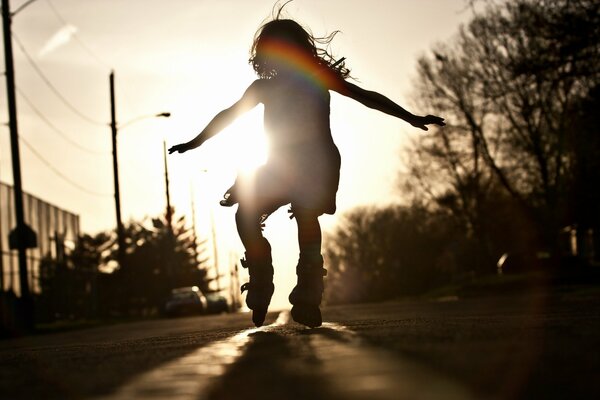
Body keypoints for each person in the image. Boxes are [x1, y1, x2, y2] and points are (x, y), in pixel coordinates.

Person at [169, 13, 445, 328]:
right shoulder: (262, 88)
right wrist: (195, 141)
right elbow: (228, 115)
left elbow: (367, 98)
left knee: (305, 211)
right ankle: (261, 276)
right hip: (279, 167)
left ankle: (309, 288)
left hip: (317, 163)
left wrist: (410, 116)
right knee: (245, 214)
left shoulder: (318, 78)